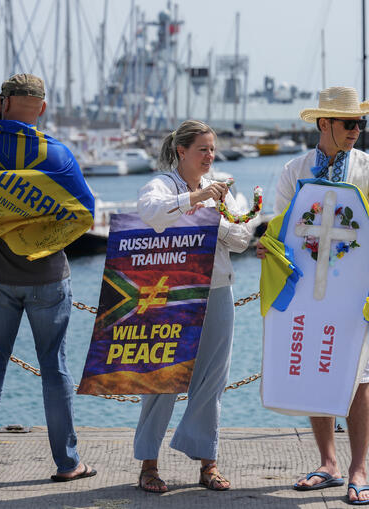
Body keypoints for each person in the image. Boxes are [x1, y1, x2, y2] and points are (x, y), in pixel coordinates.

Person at [257, 87, 369, 505]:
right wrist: (268, 244)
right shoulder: (295, 169)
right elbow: (281, 225)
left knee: (359, 377)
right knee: (312, 368)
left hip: (356, 288)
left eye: (361, 123)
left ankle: (359, 469)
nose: (357, 130)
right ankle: (328, 462)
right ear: (325, 124)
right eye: (349, 123)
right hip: (304, 285)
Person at [0, 74, 96, 483]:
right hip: (48, 275)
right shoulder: (57, 155)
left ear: (4, 103)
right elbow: (84, 212)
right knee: (55, 367)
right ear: (42, 108)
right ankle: (68, 464)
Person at [133, 119, 251, 493]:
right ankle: (148, 465)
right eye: (203, 149)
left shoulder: (222, 188)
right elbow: (150, 212)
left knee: (212, 379)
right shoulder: (162, 184)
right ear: (182, 151)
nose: (210, 156)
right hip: (172, 290)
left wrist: (216, 216)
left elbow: (242, 238)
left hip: (217, 288)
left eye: (212, 149)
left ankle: (207, 463)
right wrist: (197, 200)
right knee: (162, 377)